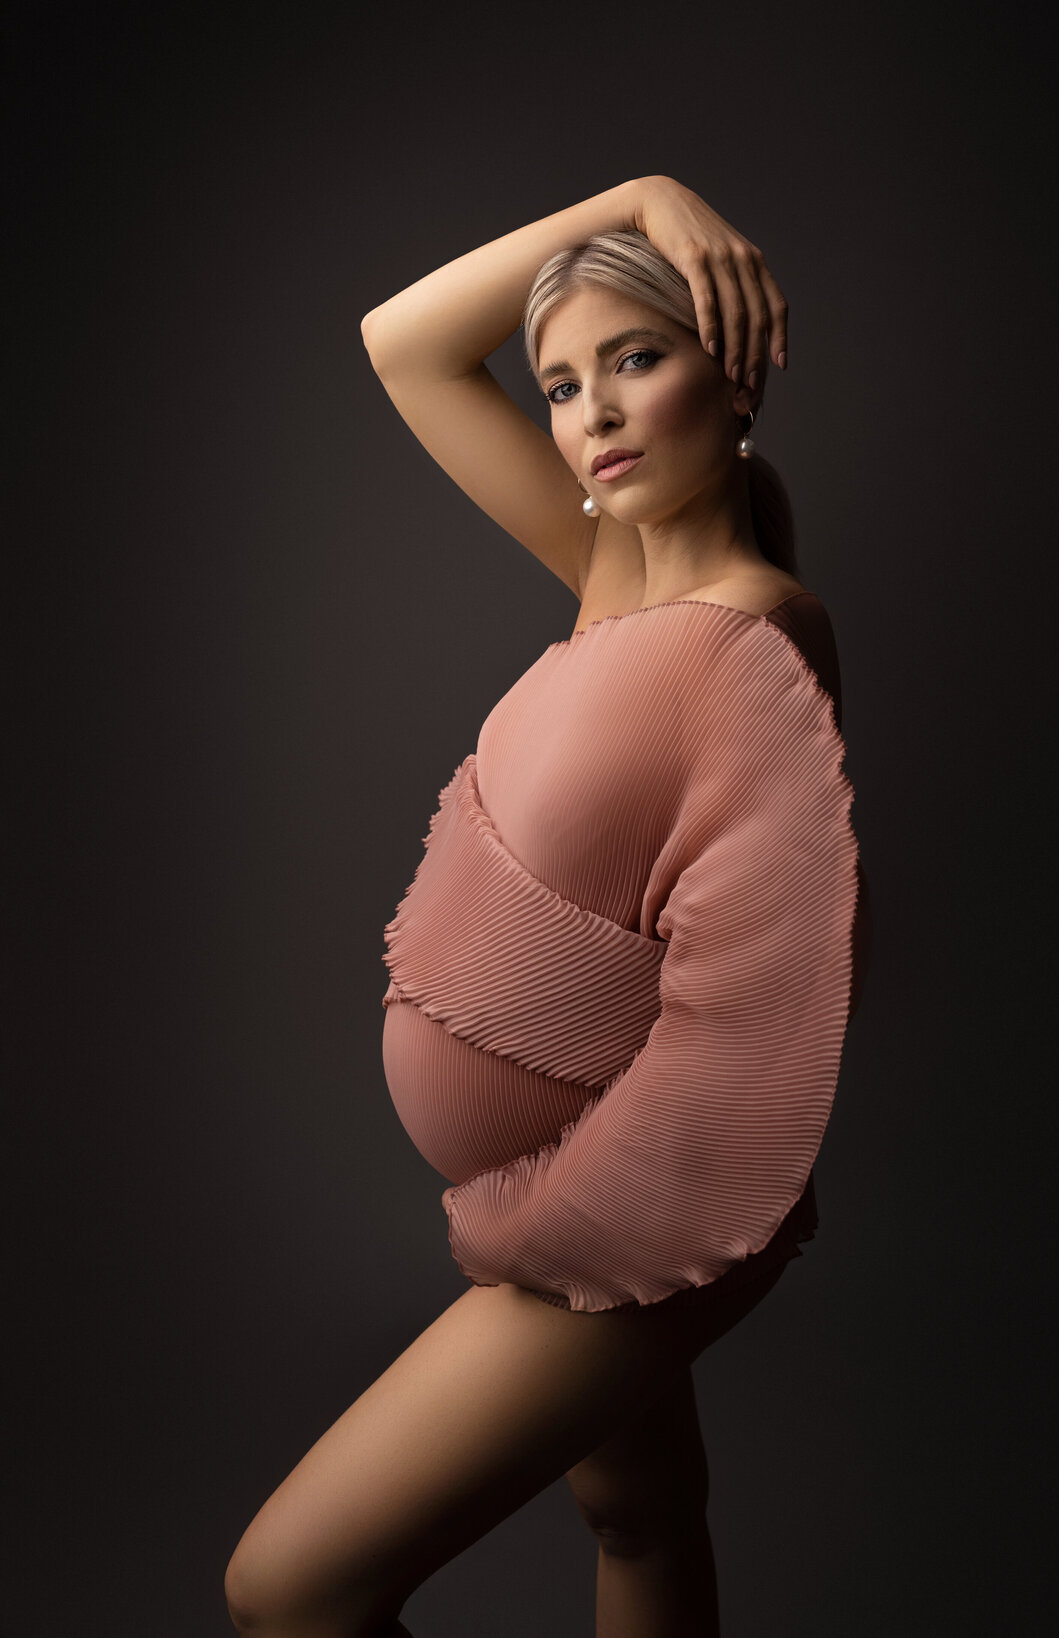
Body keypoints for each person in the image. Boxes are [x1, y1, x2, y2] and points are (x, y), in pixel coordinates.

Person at [225, 174, 871, 1638]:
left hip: (632, 1214)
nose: (593, 412)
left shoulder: (759, 633)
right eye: (564, 384)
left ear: (737, 367)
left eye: (636, 358)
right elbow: (405, 342)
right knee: (639, 1516)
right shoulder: (604, 584)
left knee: (292, 1589)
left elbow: (758, 1007)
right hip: (560, 1195)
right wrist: (644, 193)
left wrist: (551, 1219)